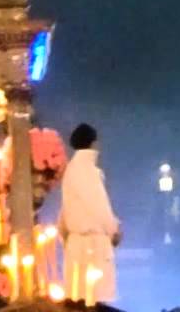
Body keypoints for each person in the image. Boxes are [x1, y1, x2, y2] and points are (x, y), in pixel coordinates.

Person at [59, 123, 120, 304]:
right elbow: (99, 204)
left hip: (77, 243)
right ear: (94, 143)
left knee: (78, 298)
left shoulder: (71, 169)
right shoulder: (87, 169)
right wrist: (113, 229)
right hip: (92, 245)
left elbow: (65, 207)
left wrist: (63, 233)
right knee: (94, 299)